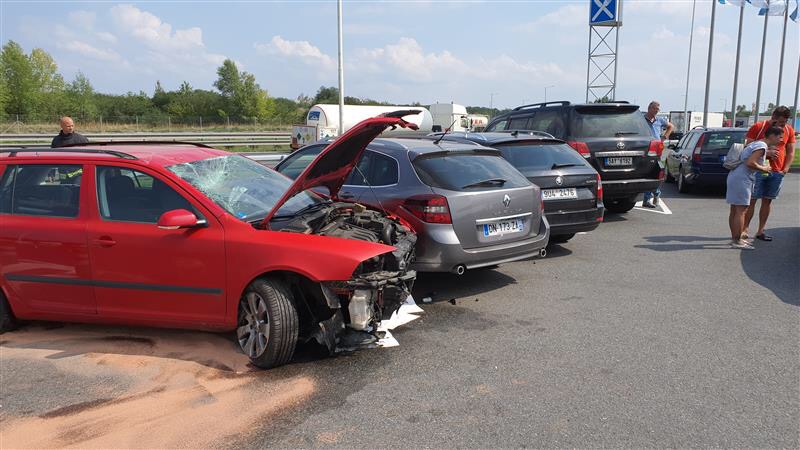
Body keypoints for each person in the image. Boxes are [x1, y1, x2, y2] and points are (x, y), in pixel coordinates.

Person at [742, 106, 795, 242]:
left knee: (768, 201)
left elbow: (790, 151)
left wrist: (786, 168)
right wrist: (767, 150)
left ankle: (761, 231)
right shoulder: (759, 126)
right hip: (758, 170)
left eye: (784, 122)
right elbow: (747, 145)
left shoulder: (789, 130)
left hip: (776, 171)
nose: (782, 126)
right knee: (752, 200)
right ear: (773, 118)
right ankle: (744, 229)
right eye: (780, 122)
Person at [726, 126, 782, 250]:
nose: (781, 140)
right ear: (772, 136)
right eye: (779, 137)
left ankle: (735, 239)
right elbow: (750, 162)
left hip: (735, 175)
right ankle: (737, 240)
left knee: (735, 209)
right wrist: (764, 168)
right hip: (742, 178)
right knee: (741, 210)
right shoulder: (761, 146)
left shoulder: (756, 143)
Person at [642, 101, 674, 208]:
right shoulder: (642, 120)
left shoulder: (659, 120)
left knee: (659, 173)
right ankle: (647, 198)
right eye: (655, 109)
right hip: (646, 149)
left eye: (658, 109)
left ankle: (656, 194)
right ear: (649, 108)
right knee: (648, 173)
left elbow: (671, 126)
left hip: (659, 150)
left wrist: (664, 138)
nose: (656, 111)